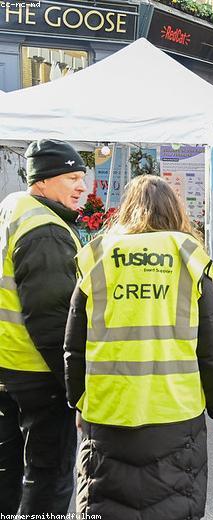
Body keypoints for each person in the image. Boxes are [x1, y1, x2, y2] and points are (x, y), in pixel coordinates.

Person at [64, 175, 213, 520]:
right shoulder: (188, 256)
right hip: (175, 408)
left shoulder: (98, 255)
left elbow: (75, 344)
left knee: (105, 503)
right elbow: (211, 349)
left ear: (127, 209)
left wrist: (78, 401)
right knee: (173, 503)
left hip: (109, 407)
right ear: (174, 210)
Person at [0, 139, 86, 514]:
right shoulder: (45, 229)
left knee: (8, 471)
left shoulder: (13, 207)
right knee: (48, 476)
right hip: (37, 373)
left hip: (8, 364)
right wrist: (75, 389)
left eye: (82, 177)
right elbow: (53, 320)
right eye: (72, 178)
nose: (82, 186)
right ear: (43, 181)